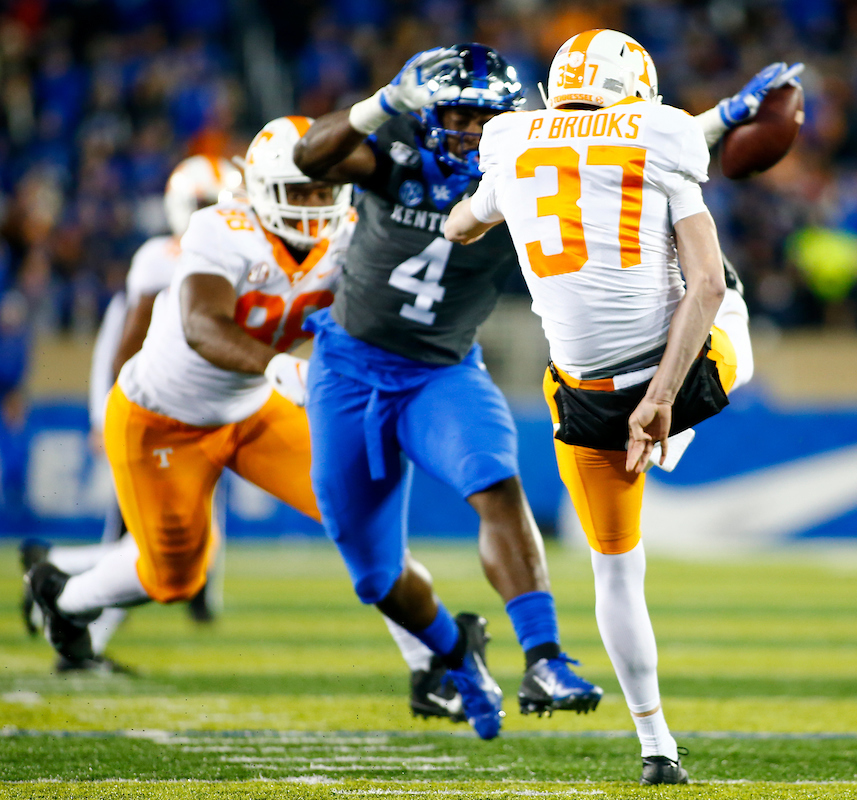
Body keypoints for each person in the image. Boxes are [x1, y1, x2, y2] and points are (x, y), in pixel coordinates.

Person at [446, 29, 794, 783]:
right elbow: (704, 284)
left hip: (587, 402)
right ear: (638, 92)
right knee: (728, 293)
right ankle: (678, 429)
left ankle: (656, 745)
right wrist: (663, 400)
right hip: (678, 379)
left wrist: (471, 211)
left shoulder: (511, 140)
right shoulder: (660, 133)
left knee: (616, 572)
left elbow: (463, 226)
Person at [291, 44, 601, 739]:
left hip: (442, 373)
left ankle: (545, 658)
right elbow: (308, 157)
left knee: (495, 481)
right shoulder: (397, 151)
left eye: (484, 116)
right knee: (375, 577)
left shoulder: (525, 174)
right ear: (429, 112)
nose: (469, 128)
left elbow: (618, 178)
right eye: (457, 113)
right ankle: (458, 653)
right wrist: (382, 104)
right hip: (348, 372)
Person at [24, 117, 351, 670]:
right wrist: (105, 412)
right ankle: (68, 599)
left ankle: (66, 586)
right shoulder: (176, 251)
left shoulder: (310, 241)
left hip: (241, 406)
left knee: (195, 549)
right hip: (161, 413)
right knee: (160, 558)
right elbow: (128, 340)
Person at [20, 156, 242, 671]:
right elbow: (117, 348)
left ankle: (56, 571)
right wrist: (106, 414)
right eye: (208, 203)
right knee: (145, 547)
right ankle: (73, 622)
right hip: (153, 420)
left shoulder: (216, 255)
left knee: (174, 545)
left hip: (190, 420)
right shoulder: (161, 260)